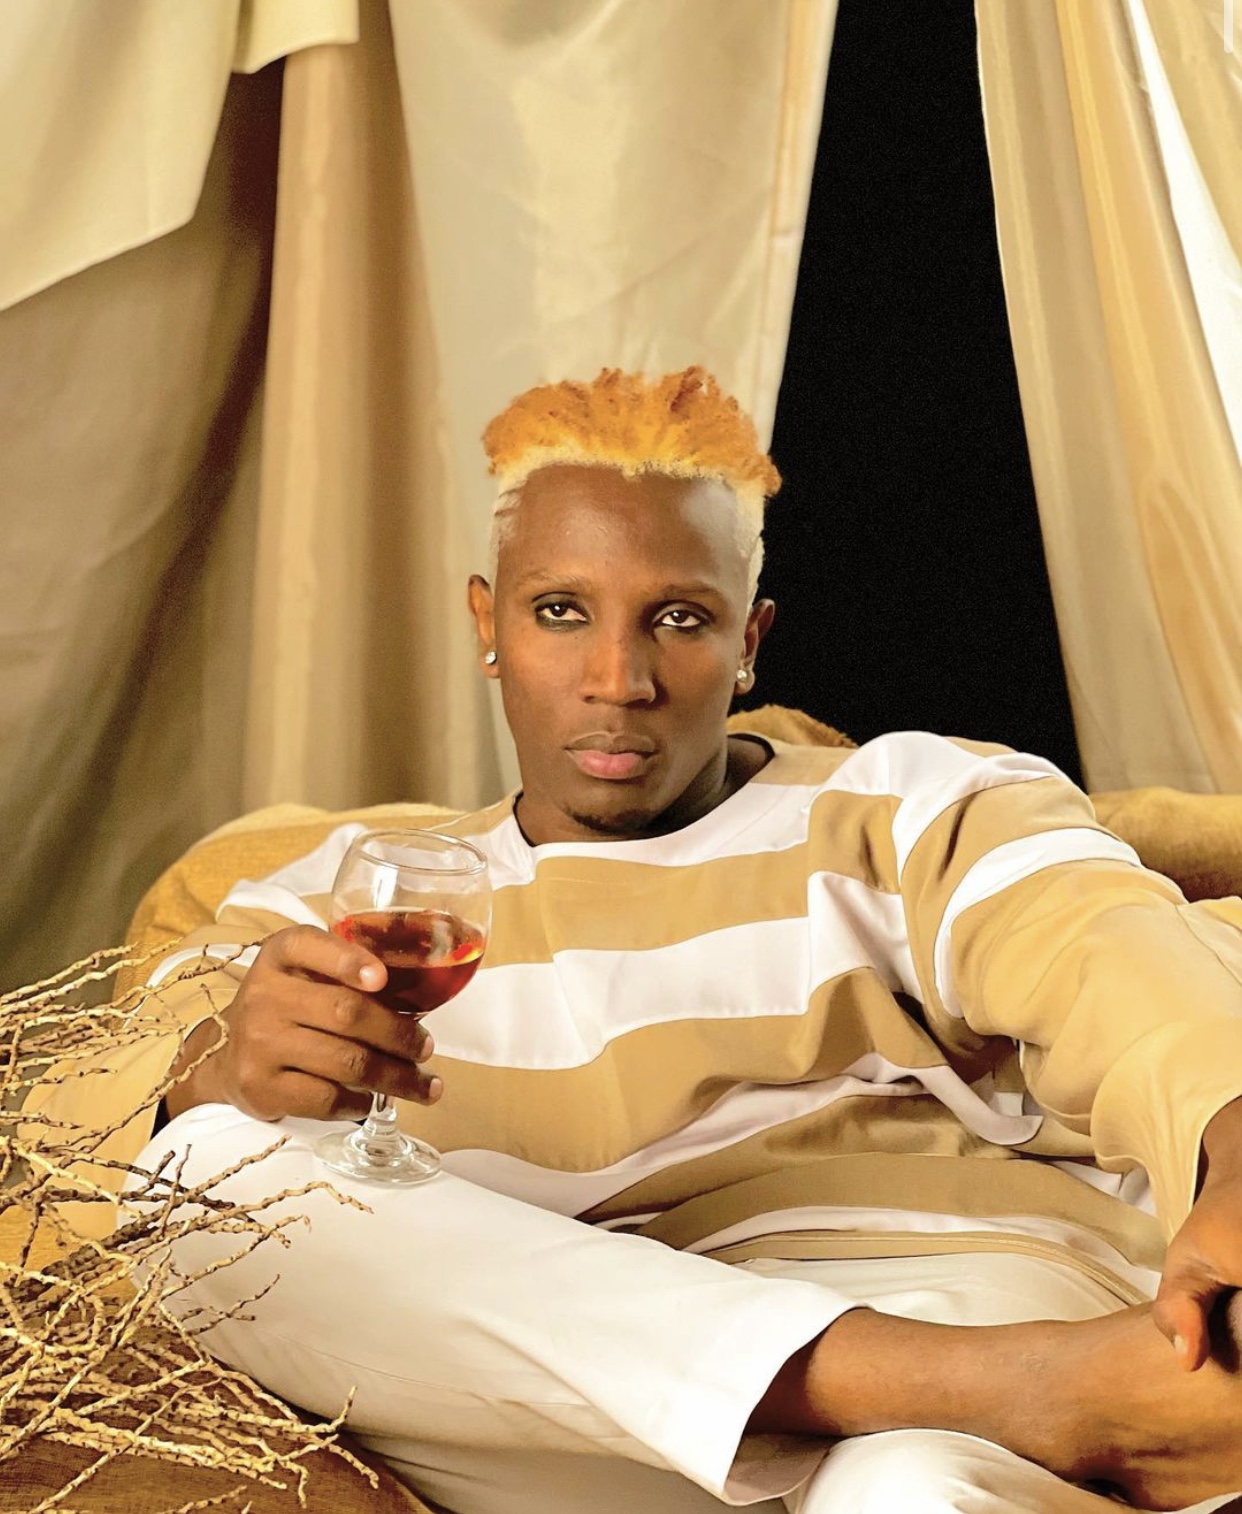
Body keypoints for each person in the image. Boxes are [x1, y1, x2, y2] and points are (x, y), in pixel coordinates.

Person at [93, 368, 1242, 1511]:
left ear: (750, 639)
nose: (618, 679)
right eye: (561, 611)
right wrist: (210, 1071)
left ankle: (1001, 1394)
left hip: (971, 1300)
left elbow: (1111, 957)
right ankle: (998, 1395)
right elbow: (76, 1134)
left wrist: (1236, 1147)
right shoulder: (333, 900)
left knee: (905, 1489)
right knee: (197, 1180)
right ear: (488, 625)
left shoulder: (904, 804)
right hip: (594, 1412)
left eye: (679, 618)